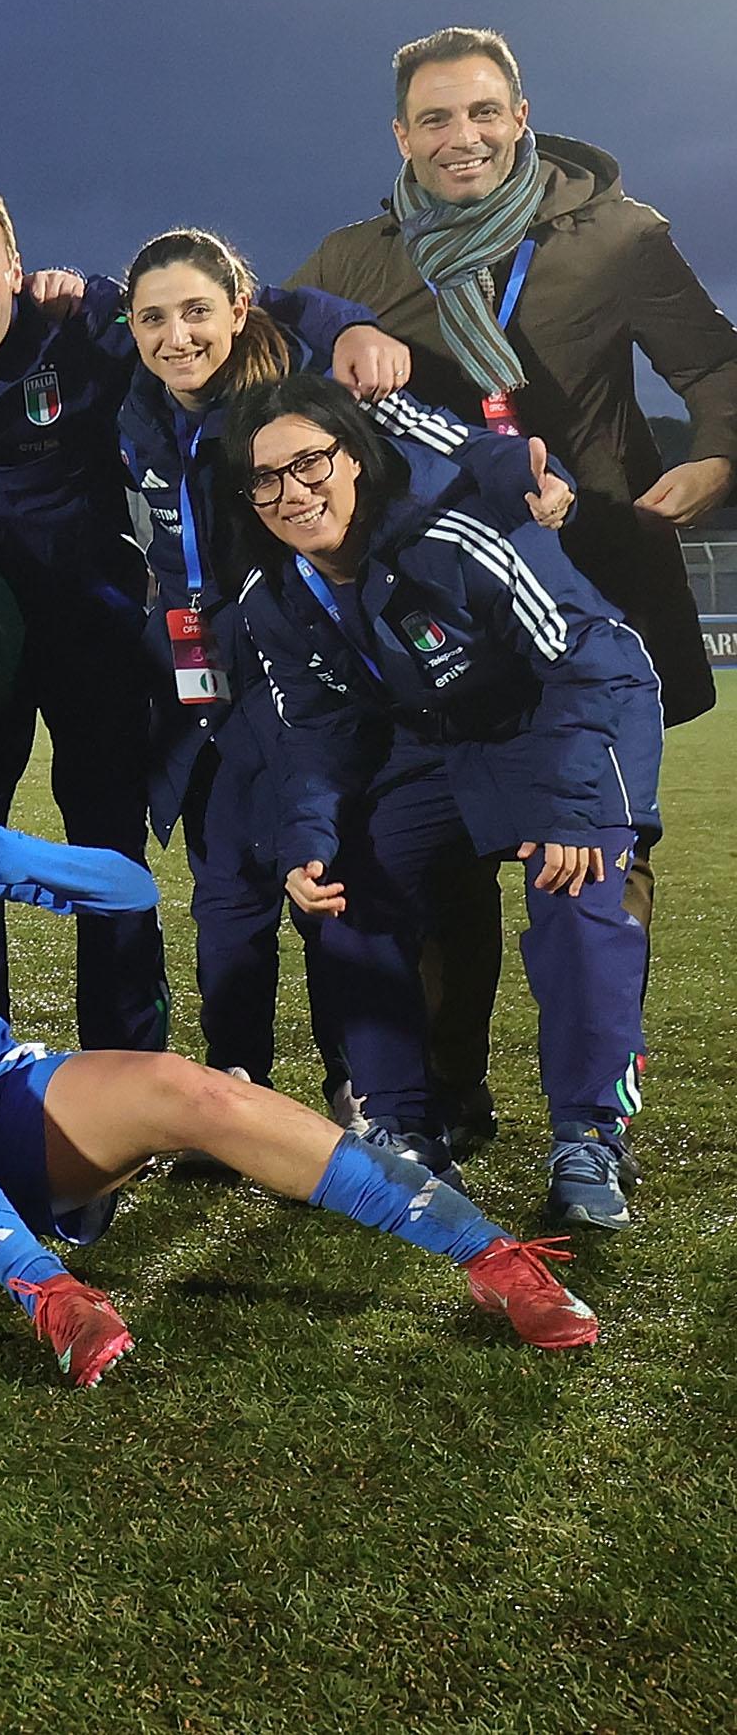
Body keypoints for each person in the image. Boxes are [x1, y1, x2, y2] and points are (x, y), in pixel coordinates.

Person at [0, 718, 603, 1387]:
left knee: (188, 1087)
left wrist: (13, 863)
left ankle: (490, 1256)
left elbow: (129, 888)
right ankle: (52, 1296)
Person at [0, 188, 401, 1051]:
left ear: (17, 273)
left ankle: (126, 1059)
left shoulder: (80, 325)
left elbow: (217, 296)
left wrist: (350, 325)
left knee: (105, 847)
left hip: (90, 632)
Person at [120, 229, 565, 1123]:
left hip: (317, 659)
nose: (176, 336)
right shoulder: (131, 396)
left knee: (346, 872)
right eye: (153, 318)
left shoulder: (312, 381)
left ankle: (377, 1080)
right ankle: (234, 1089)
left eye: (198, 311)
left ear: (239, 309)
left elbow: (443, 447)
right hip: (209, 692)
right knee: (231, 897)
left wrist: (535, 482)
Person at [222, 376, 661, 1230]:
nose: (292, 492)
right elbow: (316, 739)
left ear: (355, 457)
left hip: (562, 714)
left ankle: (590, 1135)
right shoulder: (271, 596)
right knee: (344, 880)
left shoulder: (455, 530)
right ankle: (400, 1126)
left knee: (577, 888)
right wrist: (306, 841)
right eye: (265, 479)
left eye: (310, 462)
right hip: (437, 741)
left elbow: (582, 658)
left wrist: (569, 808)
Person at [292, 25, 736, 726]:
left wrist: (718, 456)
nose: (463, 136)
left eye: (484, 112)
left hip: (600, 567)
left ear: (520, 118)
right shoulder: (352, 264)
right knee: (451, 819)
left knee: (601, 822)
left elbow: (714, 362)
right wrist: (342, 324)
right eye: (435, 119)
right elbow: (262, 336)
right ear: (403, 137)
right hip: (439, 598)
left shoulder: (617, 238)